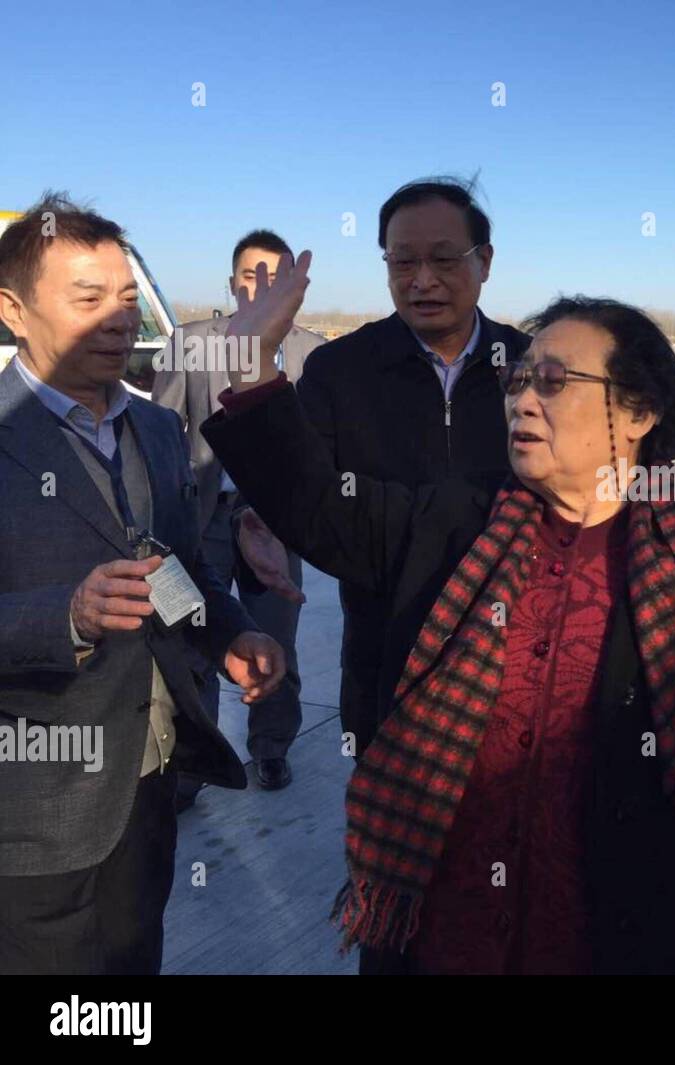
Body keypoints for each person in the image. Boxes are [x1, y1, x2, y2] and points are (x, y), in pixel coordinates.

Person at [203, 251, 675, 975]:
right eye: (520, 379)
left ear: (639, 411)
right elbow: (316, 509)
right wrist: (253, 359)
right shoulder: (458, 519)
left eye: (554, 382)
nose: (522, 398)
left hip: (641, 939)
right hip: (445, 939)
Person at [0, 195, 285, 975]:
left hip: (148, 782)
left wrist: (231, 634)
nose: (119, 319)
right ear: (13, 310)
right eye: (87, 299)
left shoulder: (156, 430)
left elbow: (177, 570)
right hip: (32, 805)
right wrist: (68, 614)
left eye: (127, 298)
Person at [290, 178, 530, 757]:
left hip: (518, 653)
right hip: (385, 654)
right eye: (402, 261)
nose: (422, 280)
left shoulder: (531, 366)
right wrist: (264, 526)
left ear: (485, 262)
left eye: (445, 259)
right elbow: (303, 491)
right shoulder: (339, 370)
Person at [152, 229, 324, 798]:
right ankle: (197, 765)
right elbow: (162, 432)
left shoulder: (311, 354)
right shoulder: (188, 342)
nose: (262, 286)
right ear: (232, 282)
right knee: (196, 637)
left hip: (274, 523)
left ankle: (271, 749)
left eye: (275, 276)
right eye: (252, 276)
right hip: (200, 519)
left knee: (275, 639)